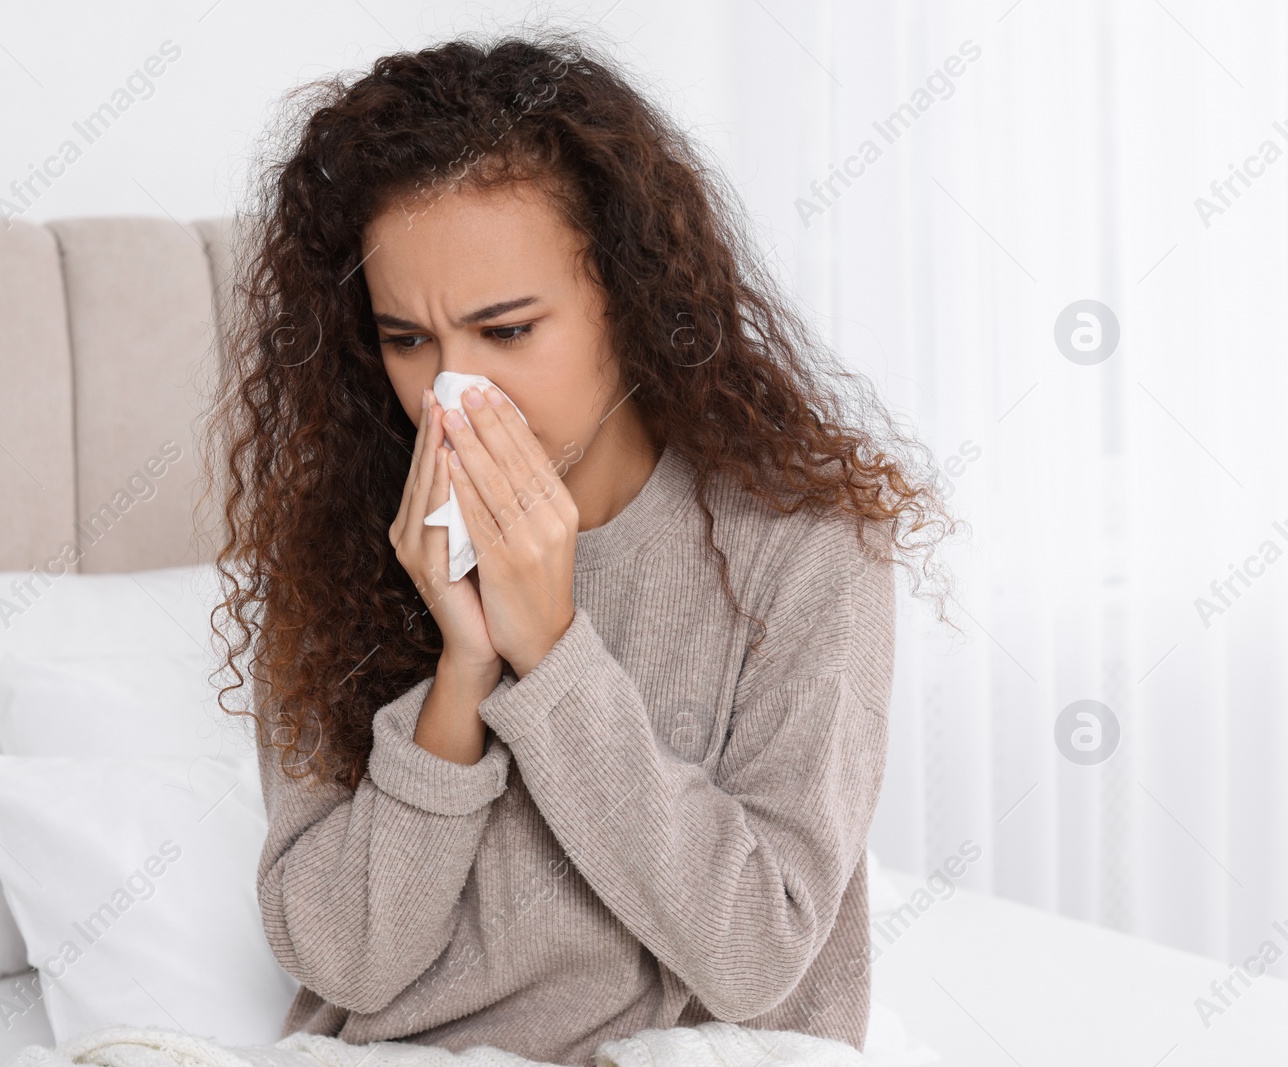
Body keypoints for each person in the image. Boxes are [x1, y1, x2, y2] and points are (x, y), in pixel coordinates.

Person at [203, 31, 954, 1067]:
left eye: (505, 330)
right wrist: (462, 671)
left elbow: (754, 950)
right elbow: (344, 959)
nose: (447, 396)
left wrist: (550, 650)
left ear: (630, 299)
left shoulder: (804, 546)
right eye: (404, 339)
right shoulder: (340, 547)